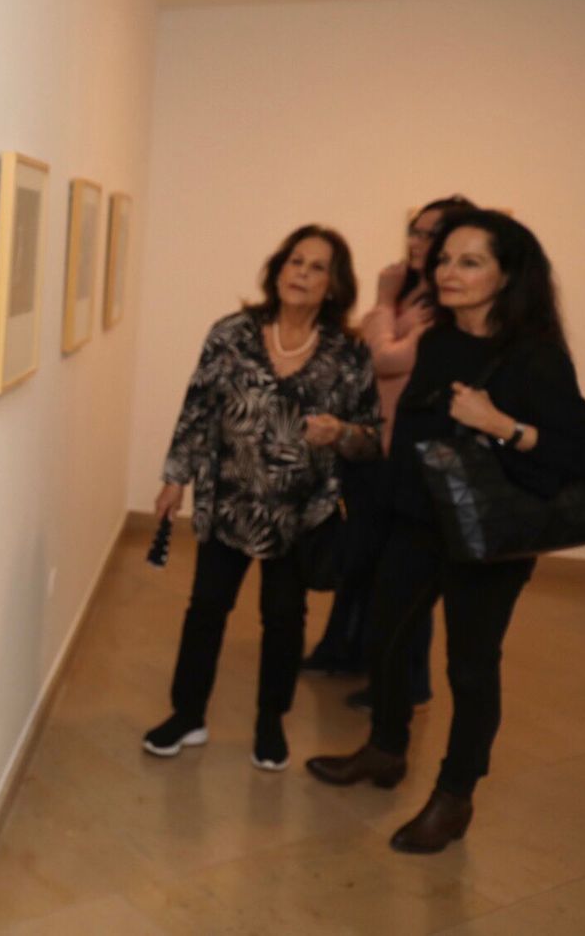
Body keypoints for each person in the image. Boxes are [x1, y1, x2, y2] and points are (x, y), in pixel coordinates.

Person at [306, 208, 585, 852]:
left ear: (508, 275)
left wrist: (502, 423)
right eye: (444, 258)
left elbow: (584, 449)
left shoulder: (534, 357)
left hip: (490, 538)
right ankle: (385, 751)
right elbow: (415, 433)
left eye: (469, 261)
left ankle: (455, 797)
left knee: (470, 668)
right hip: (417, 523)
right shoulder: (440, 341)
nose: (448, 271)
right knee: (386, 641)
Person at [144, 225, 382, 771]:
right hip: (228, 499)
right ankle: (187, 714)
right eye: (294, 261)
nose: (301, 273)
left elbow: (372, 435)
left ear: (334, 283)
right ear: (278, 269)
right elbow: (197, 410)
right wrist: (174, 479)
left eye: (317, 266)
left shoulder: (349, 354)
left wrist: (341, 432)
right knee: (206, 609)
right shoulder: (232, 334)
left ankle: (270, 723)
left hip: (301, 511)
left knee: (283, 619)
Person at [305, 196, 476, 696]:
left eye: (431, 235)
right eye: (415, 232)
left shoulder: (446, 305)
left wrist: (381, 301)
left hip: (408, 452)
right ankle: (345, 652)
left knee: (404, 574)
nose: (418, 243)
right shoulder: (414, 295)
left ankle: (406, 685)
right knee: (362, 558)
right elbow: (373, 352)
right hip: (371, 441)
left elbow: (383, 356)